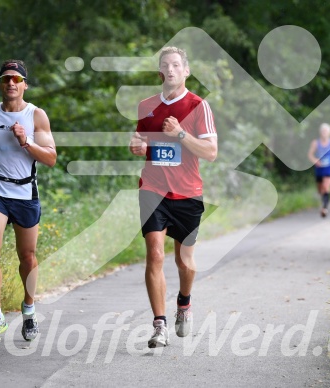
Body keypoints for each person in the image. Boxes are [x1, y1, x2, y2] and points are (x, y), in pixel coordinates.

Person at [129, 47, 217, 348]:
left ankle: (184, 303)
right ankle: (159, 325)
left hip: (188, 193)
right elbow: (140, 139)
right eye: (165, 65)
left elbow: (211, 153)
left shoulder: (198, 106)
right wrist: (137, 145)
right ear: (159, 72)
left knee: (185, 261)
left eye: (176, 65)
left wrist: (180, 133)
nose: (170, 69)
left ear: (186, 71)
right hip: (153, 189)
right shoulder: (146, 106)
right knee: (154, 254)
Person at [0, 59, 56, 345]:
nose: (11, 83)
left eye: (17, 79)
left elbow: (51, 158)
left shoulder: (36, 116)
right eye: (6, 78)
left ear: (24, 85)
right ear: (0, 83)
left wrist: (26, 141)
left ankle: (29, 309)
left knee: (27, 257)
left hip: (24, 193)